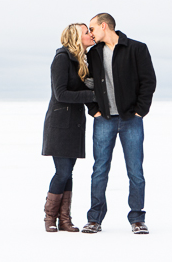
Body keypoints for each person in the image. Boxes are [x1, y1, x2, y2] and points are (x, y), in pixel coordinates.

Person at [82, 13, 156, 235]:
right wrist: (93, 110)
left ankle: (137, 218)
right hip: (103, 119)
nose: (91, 34)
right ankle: (94, 219)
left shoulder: (137, 48)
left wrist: (140, 111)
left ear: (104, 26)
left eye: (93, 29)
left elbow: (148, 81)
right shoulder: (94, 53)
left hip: (131, 119)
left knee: (135, 171)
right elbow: (87, 83)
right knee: (99, 170)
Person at [41, 23, 96, 232]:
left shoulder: (79, 61)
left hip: (74, 124)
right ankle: (49, 219)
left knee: (68, 173)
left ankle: (64, 220)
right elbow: (60, 94)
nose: (90, 35)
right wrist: (93, 95)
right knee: (62, 172)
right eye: (86, 32)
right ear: (75, 37)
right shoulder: (62, 59)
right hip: (60, 125)